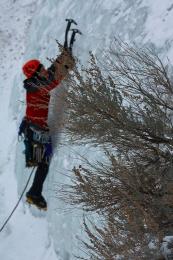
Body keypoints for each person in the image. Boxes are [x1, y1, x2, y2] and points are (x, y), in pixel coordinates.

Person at [18, 50, 75, 210]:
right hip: (37, 131)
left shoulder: (34, 83)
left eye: (42, 67)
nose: (44, 70)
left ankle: (35, 192)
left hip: (33, 127)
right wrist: (66, 64)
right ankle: (34, 193)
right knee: (44, 162)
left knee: (43, 161)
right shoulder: (38, 86)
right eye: (40, 69)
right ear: (35, 75)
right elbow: (53, 80)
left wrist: (62, 58)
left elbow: (50, 73)